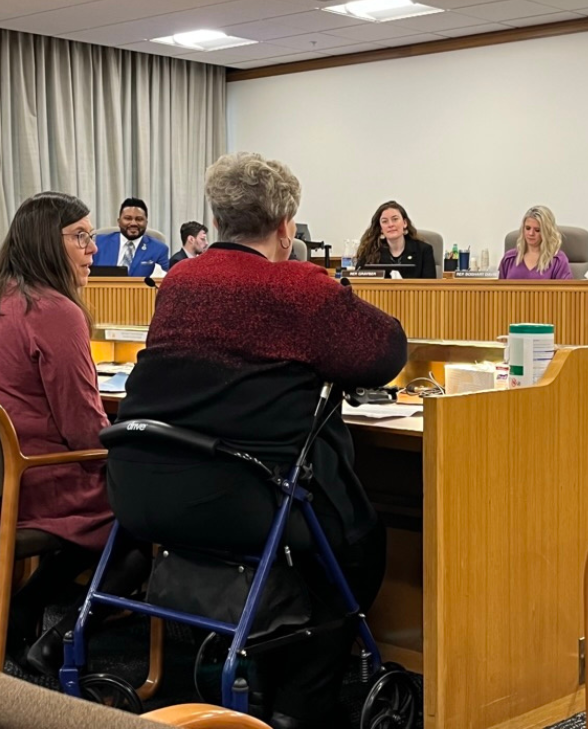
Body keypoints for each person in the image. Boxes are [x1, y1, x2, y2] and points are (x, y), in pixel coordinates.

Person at [106, 152, 408, 729]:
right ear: (286, 226)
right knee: (357, 545)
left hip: (141, 487)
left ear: (216, 221)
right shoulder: (300, 287)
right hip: (241, 499)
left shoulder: (178, 281)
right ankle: (298, 706)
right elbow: (386, 353)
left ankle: (244, 661)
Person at [0, 192, 148, 677]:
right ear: (48, 241)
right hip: (38, 485)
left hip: (11, 480)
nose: (92, 249)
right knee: (141, 520)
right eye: (80, 236)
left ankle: (23, 611)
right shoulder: (54, 312)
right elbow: (84, 429)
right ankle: (62, 641)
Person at [356, 200, 436, 278]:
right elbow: (357, 283)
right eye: (385, 221)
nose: (390, 224)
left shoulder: (424, 250)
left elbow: (430, 287)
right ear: (380, 228)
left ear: (405, 223)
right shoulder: (369, 251)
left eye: (395, 219)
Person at [93, 197, 169, 276]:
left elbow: (162, 283)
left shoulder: (159, 249)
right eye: (128, 218)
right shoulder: (98, 243)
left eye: (139, 219)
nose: (133, 223)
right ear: (119, 221)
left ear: (146, 222)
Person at [499, 205, 572, 280]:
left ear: (546, 232)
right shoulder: (509, 258)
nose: (531, 233)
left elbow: (566, 291)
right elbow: (498, 289)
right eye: (527, 228)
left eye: (537, 230)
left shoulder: (558, 261)